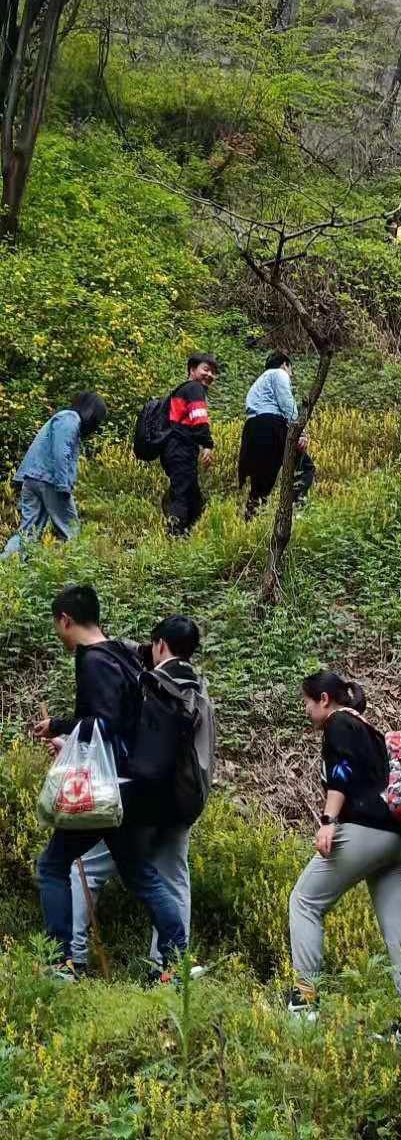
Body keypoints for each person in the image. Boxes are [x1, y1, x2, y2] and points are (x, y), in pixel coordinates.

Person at [32, 585, 188, 982]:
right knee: (140, 875)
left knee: (51, 865)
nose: (59, 634)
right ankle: (176, 961)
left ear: (66, 619)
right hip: (132, 783)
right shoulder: (122, 653)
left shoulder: (94, 660)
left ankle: (60, 960)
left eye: (58, 626)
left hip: (108, 787)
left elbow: (104, 722)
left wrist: (60, 727)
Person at [71, 616, 216, 977]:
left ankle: (69, 958)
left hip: (141, 801)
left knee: (87, 868)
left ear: (161, 645)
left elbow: (119, 737)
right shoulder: (199, 690)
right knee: (173, 879)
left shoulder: (149, 685)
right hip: (184, 801)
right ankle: (169, 966)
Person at [287, 671, 401, 1039]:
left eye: (306, 702)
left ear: (324, 700)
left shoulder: (339, 723)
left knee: (304, 901)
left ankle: (304, 1001)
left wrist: (329, 819)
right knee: (400, 924)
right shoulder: (369, 728)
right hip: (397, 836)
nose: (305, 710)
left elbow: (341, 772)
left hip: (363, 830)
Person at [2, 392, 107, 558]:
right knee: (71, 529)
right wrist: (62, 485)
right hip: (49, 480)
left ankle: (6, 565)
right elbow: (61, 452)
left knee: (28, 531)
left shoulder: (63, 419)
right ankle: (73, 569)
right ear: (91, 412)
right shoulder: (70, 419)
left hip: (32, 479)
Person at [237, 353, 310, 520]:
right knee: (304, 467)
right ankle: (295, 512)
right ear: (285, 364)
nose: (291, 374)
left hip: (253, 428)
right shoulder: (278, 373)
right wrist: (300, 432)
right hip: (271, 425)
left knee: (262, 479)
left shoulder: (259, 382)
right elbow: (286, 401)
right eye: (291, 370)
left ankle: (250, 520)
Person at [161, 354, 216, 536]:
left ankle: (183, 532)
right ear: (192, 370)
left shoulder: (181, 390)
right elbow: (199, 418)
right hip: (180, 449)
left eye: (213, 372)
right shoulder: (194, 388)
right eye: (206, 370)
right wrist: (207, 444)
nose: (210, 375)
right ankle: (175, 536)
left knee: (192, 496)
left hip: (173, 450)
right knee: (183, 494)